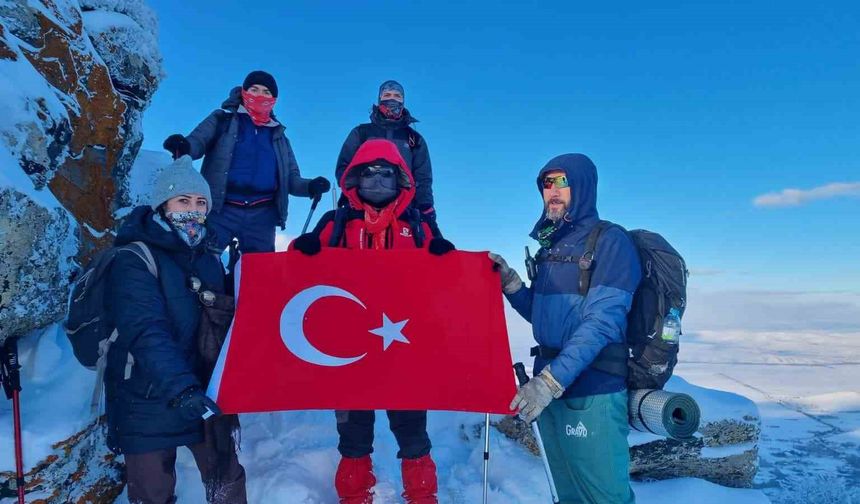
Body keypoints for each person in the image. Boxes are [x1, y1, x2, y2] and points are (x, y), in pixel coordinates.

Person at [292, 139, 454, 503]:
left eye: (386, 173)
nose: (377, 180)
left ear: (401, 180)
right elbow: (295, 281)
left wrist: (449, 259)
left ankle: (422, 496)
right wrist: (300, 253)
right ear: (355, 179)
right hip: (348, 349)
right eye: (369, 173)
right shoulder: (335, 224)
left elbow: (446, 282)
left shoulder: (419, 225)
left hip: (403, 348)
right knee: (353, 435)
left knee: (412, 433)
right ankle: (353, 496)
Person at [490, 153, 640, 504]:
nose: (552, 191)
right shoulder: (552, 246)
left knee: (605, 496)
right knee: (566, 491)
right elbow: (547, 320)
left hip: (593, 389)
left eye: (562, 182)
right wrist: (512, 285)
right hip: (551, 388)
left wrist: (550, 382)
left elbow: (602, 323)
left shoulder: (610, 241)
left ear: (583, 186)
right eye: (546, 183)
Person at [105, 156, 246, 503]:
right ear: (161, 205)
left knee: (227, 484)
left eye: (200, 202)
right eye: (183, 200)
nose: (193, 210)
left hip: (203, 391)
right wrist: (182, 389)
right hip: (146, 395)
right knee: (153, 493)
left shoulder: (209, 258)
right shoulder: (134, 258)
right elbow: (144, 331)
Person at [162, 70, 330, 254]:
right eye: (254, 89)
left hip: (262, 215)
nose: (259, 95)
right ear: (243, 92)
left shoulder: (279, 136)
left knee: (260, 273)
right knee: (204, 263)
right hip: (220, 209)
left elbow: (290, 178)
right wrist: (184, 146)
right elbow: (198, 142)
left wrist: (310, 186)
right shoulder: (222, 119)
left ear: (274, 99)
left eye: (266, 92)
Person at [335, 80, 436, 221]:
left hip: (403, 210)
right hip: (360, 208)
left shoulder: (414, 139)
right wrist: (354, 196)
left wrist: (425, 205)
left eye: (397, 96)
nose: (392, 99)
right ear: (380, 99)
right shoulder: (361, 133)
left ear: (403, 101)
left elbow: (423, 177)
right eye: (387, 95)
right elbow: (344, 167)